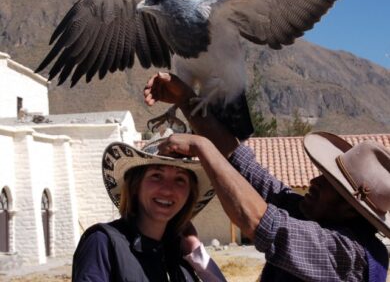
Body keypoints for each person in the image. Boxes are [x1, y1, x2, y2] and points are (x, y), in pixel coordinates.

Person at [144, 72, 390, 282]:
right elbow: (239, 160)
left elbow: (257, 221)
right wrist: (186, 98)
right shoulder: (309, 214)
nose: (314, 182)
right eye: (321, 175)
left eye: (329, 184)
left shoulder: (348, 254)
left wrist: (201, 147)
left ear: (350, 209)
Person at [72, 138, 226, 281]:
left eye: (180, 179)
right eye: (156, 176)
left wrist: (196, 252)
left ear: (189, 195)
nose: (167, 190)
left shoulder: (179, 254)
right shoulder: (102, 242)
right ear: (134, 186)